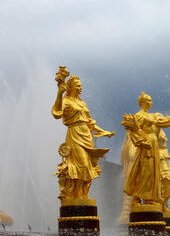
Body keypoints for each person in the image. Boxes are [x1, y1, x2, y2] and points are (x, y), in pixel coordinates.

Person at [52, 73, 114, 201]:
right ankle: (76, 195)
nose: (81, 88)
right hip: (74, 134)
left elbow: (90, 122)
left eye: (81, 85)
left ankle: (83, 194)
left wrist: (104, 131)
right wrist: (59, 93)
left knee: (89, 165)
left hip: (86, 135)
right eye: (78, 86)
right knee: (81, 165)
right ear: (71, 87)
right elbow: (57, 113)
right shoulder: (66, 101)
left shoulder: (82, 103)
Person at [122, 92, 170, 207]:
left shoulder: (151, 116)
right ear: (142, 102)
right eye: (148, 100)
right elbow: (132, 130)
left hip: (154, 144)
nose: (151, 103)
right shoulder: (139, 115)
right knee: (144, 171)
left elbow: (164, 122)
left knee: (153, 172)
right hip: (146, 144)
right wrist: (142, 142)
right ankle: (136, 198)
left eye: (151, 100)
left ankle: (149, 198)